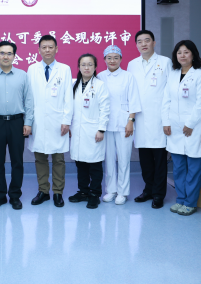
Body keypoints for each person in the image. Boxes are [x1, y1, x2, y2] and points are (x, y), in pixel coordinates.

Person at [0, 40, 33, 210]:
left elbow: (29, 101)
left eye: (9, 53)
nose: (5, 56)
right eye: (2, 53)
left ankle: (15, 195)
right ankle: (0, 195)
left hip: (17, 122)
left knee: (17, 161)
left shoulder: (23, 75)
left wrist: (28, 122)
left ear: (14, 56)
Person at [162, 40, 201, 216]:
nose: (182, 55)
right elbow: (166, 100)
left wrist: (190, 124)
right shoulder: (172, 74)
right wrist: (165, 122)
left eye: (186, 52)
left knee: (194, 169)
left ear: (193, 54)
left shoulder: (200, 75)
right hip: (174, 128)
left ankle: (190, 203)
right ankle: (180, 199)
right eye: (179, 52)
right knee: (179, 168)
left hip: (193, 128)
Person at [127, 30, 172, 209]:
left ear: (154, 42)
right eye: (140, 41)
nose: (143, 44)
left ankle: (159, 194)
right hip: (140, 118)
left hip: (159, 117)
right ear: (136, 45)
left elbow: (170, 90)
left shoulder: (165, 62)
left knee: (159, 159)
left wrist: (167, 119)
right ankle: (148, 190)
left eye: (147, 40)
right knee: (145, 159)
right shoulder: (132, 64)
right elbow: (131, 93)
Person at [27, 34, 73, 208]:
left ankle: (58, 192)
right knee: (40, 158)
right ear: (39, 50)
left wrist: (66, 120)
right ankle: (43, 191)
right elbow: (28, 98)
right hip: (38, 121)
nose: (47, 50)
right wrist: (28, 121)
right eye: (44, 47)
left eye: (50, 47)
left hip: (58, 121)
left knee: (58, 158)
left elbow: (68, 97)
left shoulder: (65, 69)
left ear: (56, 49)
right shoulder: (32, 69)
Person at [98, 45, 141, 205]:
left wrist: (131, 121)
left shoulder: (128, 77)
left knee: (123, 158)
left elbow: (134, 100)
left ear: (121, 59)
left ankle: (122, 192)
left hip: (124, 123)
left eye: (116, 57)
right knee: (109, 159)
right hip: (106, 123)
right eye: (109, 58)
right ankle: (111, 190)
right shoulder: (100, 76)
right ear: (104, 59)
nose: (112, 60)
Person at [68, 54, 111, 209]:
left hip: (94, 131)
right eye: (83, 64)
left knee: (94, 166)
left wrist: (101, 129)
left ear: (95, 67)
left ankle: (95, 194)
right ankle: (83, 191)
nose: (86, 68)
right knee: (81, 164)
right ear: (79, 67)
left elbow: (105, 109)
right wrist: (70, 126)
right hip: (78, 131)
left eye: (90, 64)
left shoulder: (100, 85)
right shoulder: (74, 85)